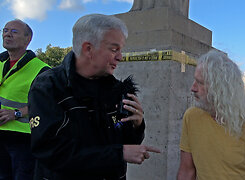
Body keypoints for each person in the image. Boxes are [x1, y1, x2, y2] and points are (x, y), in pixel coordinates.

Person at [28, 14, 160, 180]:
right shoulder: (48, 87)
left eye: (121, 49)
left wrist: (136, 125)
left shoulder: (117, 89)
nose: (120, 56)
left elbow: (125, 139)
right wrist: (118, 153)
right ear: (88, 49)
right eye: (114, 49)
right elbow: (50, 151)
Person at [177, 50, 245, 180]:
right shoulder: (191, 117)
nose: (192, 88)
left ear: (221, 89)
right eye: (195, 80)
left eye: (200, 82)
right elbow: (186, 171)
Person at [0, 19, 50, 179]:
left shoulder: (42, 70)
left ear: (28, 39)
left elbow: (48, 104)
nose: (7, 34)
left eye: (14, 32)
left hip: (23, 140)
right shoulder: (1, 63)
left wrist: (15, 114)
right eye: (5, 30)